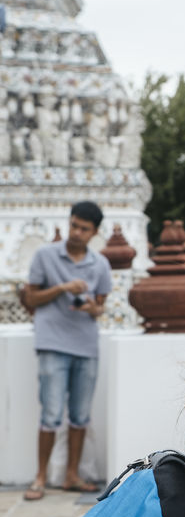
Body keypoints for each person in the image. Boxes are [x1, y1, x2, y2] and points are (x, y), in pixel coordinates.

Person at [24, 201, 111, 498]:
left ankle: (71, 476)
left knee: (80, 415)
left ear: (95, 232)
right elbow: (31, 299)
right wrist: (61, 288)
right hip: (51, 343)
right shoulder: (45, 255)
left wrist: (90, 307)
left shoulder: (100, 264)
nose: (76, 232)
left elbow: (100, 308)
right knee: (50, 413)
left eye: (84, 228)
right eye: (74, 225)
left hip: (86, 345)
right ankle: (39, 477)